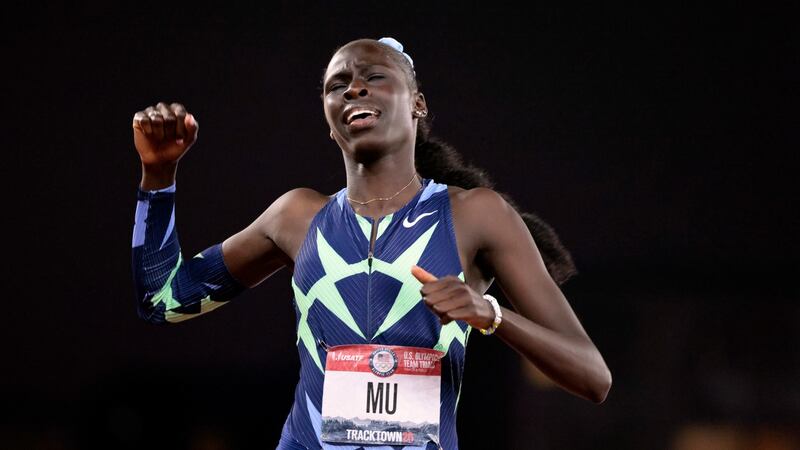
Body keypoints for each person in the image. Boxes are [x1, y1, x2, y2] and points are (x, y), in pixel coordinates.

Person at [131, 37, 611, 450]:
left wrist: (491, 314)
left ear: (418, 103)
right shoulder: (297, 216)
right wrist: (159, 176)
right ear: (329, 118)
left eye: (375, 77)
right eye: (337, 85)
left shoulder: (475, 214)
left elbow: (593, 377)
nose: (354, 87)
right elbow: (164, 300)